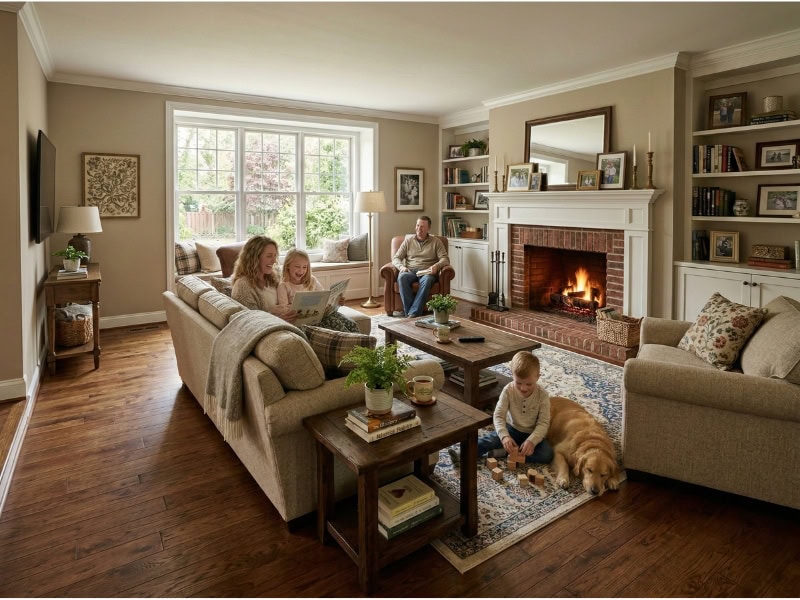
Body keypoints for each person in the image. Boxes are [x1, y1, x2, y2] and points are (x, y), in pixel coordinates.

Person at [476, 351, 554, 464]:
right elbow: (498, 415)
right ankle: (462, 454)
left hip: (532, 433)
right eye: (518, 383)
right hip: (511, 429)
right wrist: (504, 437)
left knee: (547, 453)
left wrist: (532, 441)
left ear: (537, 377)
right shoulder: (508, 390)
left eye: (529, 384)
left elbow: (544, 422)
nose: (523, 388)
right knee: (488, 441)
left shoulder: (543, 395)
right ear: (512, 375)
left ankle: (507, 453)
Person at [277, 248, 359, 333]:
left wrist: (337, 301)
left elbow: (324, 296)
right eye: (297, 266)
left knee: (351, 323)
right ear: (287, 266)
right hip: (305, 322)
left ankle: (361, 341)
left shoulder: (312, 280)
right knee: (336, 324)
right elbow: (284, 309)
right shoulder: (283, 286)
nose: (301, 271)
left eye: (305, 267)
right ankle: (351, 341)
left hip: (321, 315)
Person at [392, 216, 450, 317]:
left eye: (422, 226)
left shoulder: (436, 242)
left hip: (427, 272)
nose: (419, 228)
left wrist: (436, 266)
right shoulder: (408, 241)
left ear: (428, 228)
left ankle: (413, 313)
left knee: (427, 280)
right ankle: (411, 313)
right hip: (410, 271)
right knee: (402, 277)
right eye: (417, 225)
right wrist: (402, 267)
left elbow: (445, 259)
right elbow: (396, 258)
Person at [231, 236, 296, 322]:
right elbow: (250, 322)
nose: (274, 261)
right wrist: (278, 319)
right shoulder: (242, 286)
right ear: (254, 258)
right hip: (274, 327)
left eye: (275, 256)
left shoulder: (274, 277)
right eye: (269, 256)